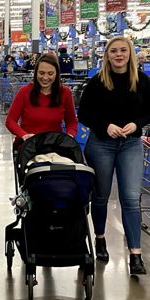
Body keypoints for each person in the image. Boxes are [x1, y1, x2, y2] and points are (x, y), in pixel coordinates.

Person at [77, 36, 150, 275]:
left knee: (130, 198)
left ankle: (135, 255)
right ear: (107, 55)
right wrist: (104, 125)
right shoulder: (97, 82)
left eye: (123, 50)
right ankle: (99, 238)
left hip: (131, 144)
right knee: (101, 196)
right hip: (101, 145)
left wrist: (136, 124)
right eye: (113, 51)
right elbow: (84, 113)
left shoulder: (142, 81)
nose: (118, 55)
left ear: (130, 53)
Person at [6, 54, 78, 141]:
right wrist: (24, 135)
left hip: (54, 145)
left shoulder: (65, 93)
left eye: (50, 74)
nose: (45, 77)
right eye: (41, 73)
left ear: (57, 74)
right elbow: (10, 121)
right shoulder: (24, 92)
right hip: (29, 146)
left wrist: (70, 135)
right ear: (36, 72)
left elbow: (72, 121)